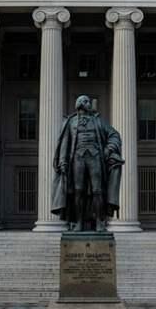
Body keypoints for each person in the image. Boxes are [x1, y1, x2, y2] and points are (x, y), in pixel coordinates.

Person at [51, 95, 123, 232]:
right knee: (78, 191)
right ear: (79, 104)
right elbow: (65, 143)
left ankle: (99, 222)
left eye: (89, 101)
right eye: (85, 101)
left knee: (98, 191)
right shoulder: (70, 122)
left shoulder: (98, 121)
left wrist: (108, 149)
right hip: (77, 158)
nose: (88, 103)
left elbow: (114, 134)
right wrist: (62, 161)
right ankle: (78, 222)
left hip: (96, 157)